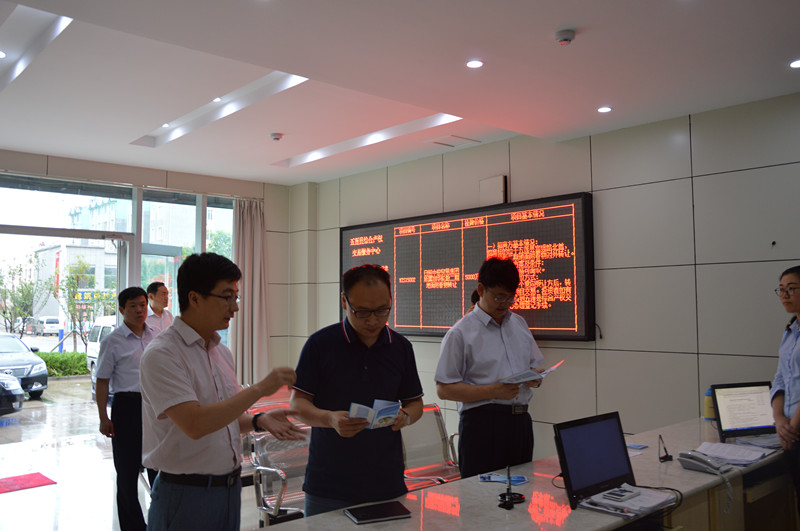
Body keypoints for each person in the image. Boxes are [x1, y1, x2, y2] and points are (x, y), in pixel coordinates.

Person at [140, 252, 304, 531]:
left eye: (236, 297)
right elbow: (195, 423)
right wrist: (261, 388)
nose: (234, 307)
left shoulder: (221, 353)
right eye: (227, 297)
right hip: (185, 495)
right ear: (194, 298)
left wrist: (258, 420)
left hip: (228, 490)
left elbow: (223, 419)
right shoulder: (163, 354)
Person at [290, 264, 424, 516]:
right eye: (362, 312)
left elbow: (415, 403)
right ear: (344, 301)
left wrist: (405, 416)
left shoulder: (401, 347)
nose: (373, 320)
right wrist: (330, 419)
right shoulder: (320, 344)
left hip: (386, 481)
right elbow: (297, 405)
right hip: (329, 484)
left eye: (382, 310)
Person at [435, 256, 545, 478]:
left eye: (510, 297)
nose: (504, 303)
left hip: (521, 423)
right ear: (481, 289)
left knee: (522, 491)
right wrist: (493, 391)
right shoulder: (460, 333)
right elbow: (444, 389)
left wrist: (535, 378)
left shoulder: (519, 324)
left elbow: (536, 367)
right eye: (498, 296)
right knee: (479, 494)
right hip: (482, 426)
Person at [95, 286, 156, 531]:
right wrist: (103, 417)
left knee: (158, 467)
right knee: (127, 472)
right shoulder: (112, 341)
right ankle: (133, 526)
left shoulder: (157, 336)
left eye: (143, 305)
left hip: (155, 407)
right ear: (122, 310)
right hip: (127, 407)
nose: (140, 310)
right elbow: (102, 381)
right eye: (133, 306)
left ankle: (161, 521)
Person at [771, 264, 800, 517]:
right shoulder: (790, 331)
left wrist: (792, 429)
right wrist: (779, 418)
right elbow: (780, 378)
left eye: (791, 289)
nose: (784, 295)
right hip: (791, 431)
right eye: (781, 289)